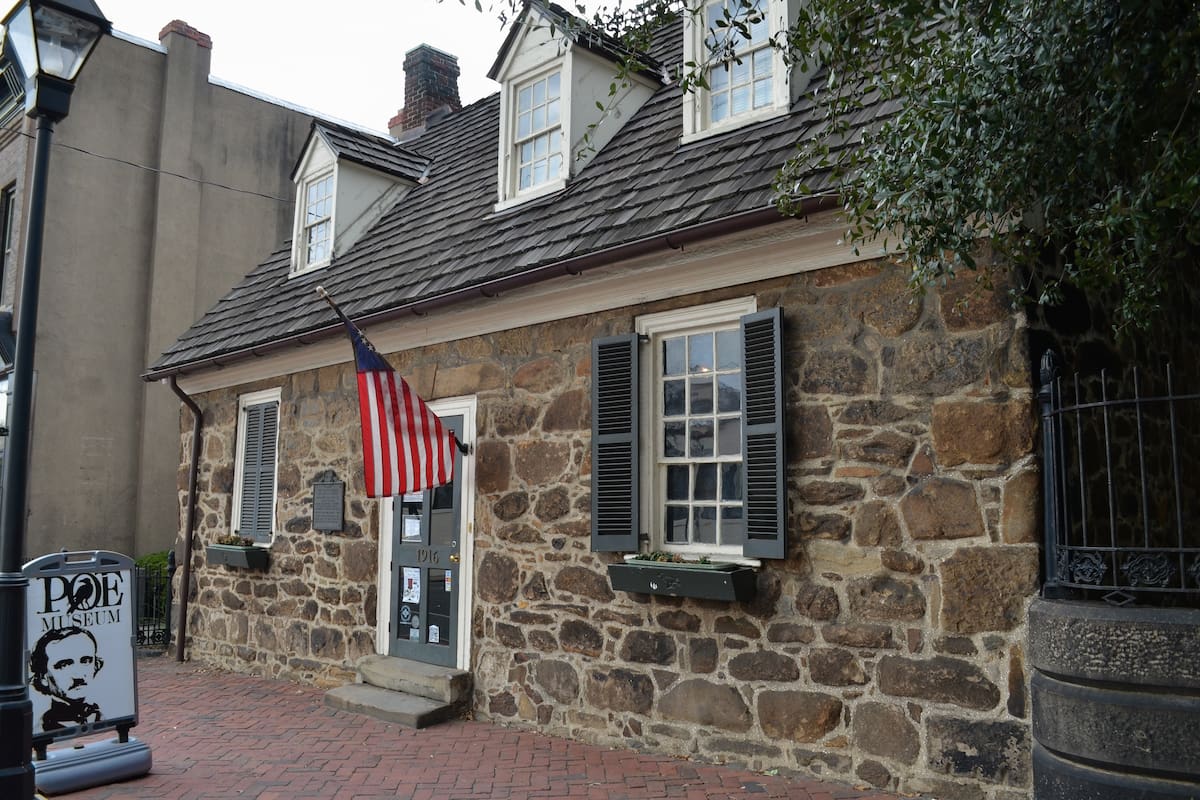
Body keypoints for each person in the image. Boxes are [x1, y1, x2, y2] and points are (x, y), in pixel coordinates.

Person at [29, 625, 104, 731]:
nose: (78, 676)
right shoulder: (41, 729)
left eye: (86, 661)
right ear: (43, 677)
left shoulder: (103, 716)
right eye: (63, 665)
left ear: (96, 666)